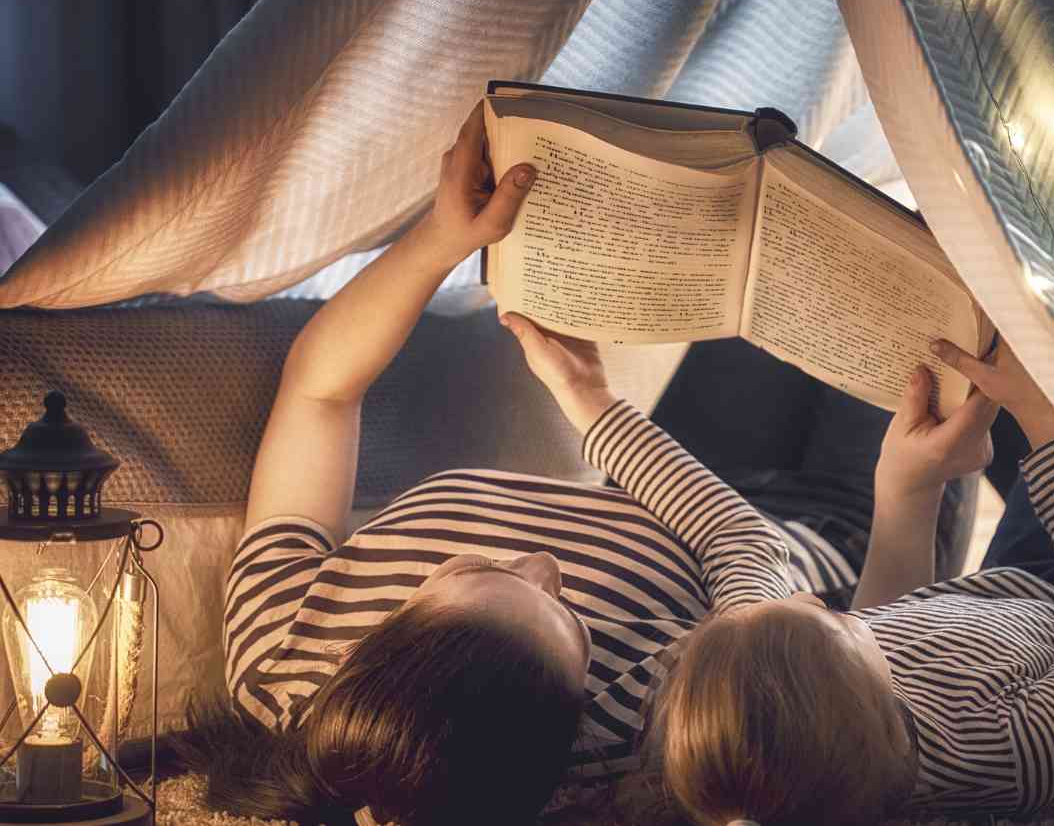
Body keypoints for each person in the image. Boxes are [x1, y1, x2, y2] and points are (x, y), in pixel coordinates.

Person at [183, 102, 965, 825]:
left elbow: (319, 393)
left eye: (481, 571)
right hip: (845, 530)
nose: (542, 564)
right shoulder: (634, 736)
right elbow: (747, 549)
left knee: (797, 222)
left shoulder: (284, 655)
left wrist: (443, 237)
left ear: (375, 643)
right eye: (572, 622)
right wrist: (589, 400)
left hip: (670, 465)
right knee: (949, 262)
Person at [632, 335, 1054, 826]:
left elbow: (887, 612)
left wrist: (910, 482)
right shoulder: (1018, 752)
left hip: (1016, 596)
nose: (810, 595)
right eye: (834, 615)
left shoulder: (846, 714)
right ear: (877, 705)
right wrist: (1043, 418)